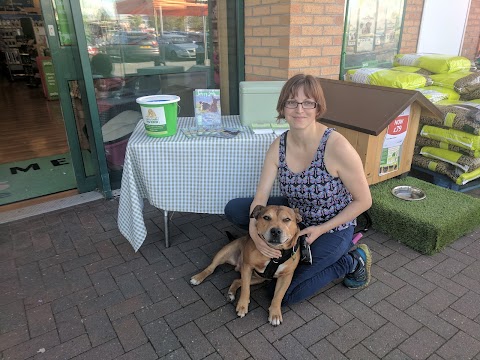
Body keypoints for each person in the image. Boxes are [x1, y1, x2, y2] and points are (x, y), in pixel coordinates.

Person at [224, 74, 373, 305]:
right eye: (291, 102)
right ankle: (268, 243)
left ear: (318, 107)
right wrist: (255, 232)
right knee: (235, 209)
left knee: (283, 293)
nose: (299, 109)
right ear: (283, 107)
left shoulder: (337, 146)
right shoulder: (279, 145)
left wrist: (322, 229)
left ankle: (353, 260)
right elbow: (261, 196)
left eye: (307, 102)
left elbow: (364, 201)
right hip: (294, 218)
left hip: (332, 227)